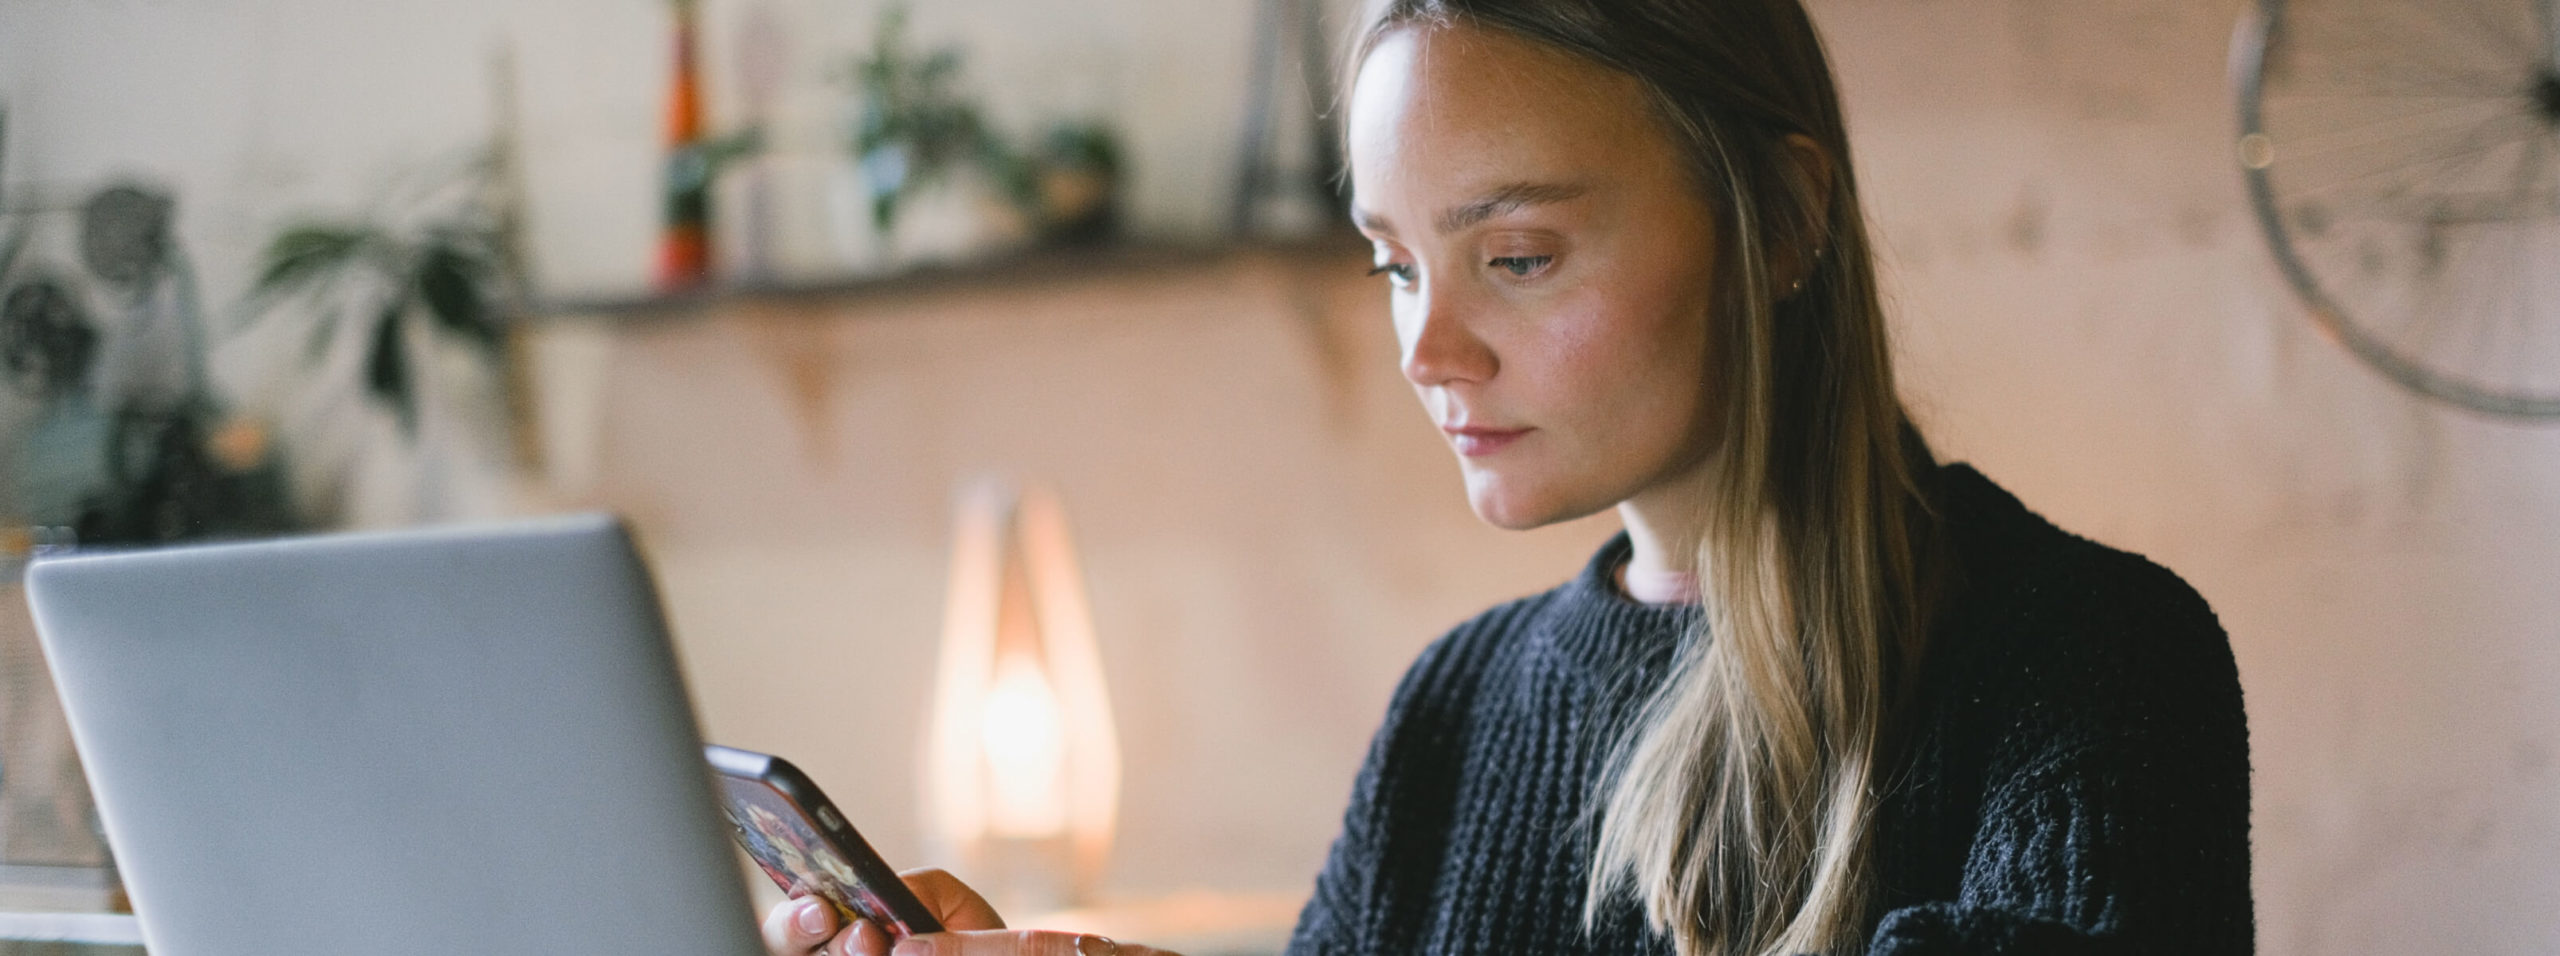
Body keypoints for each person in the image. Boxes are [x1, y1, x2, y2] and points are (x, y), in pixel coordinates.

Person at [762, 0, 2253, 953]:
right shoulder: (1455, 708)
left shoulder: (2090, 662)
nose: (1429, 347)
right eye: (1397, 265)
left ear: (1786, 218)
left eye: (1518, 257)